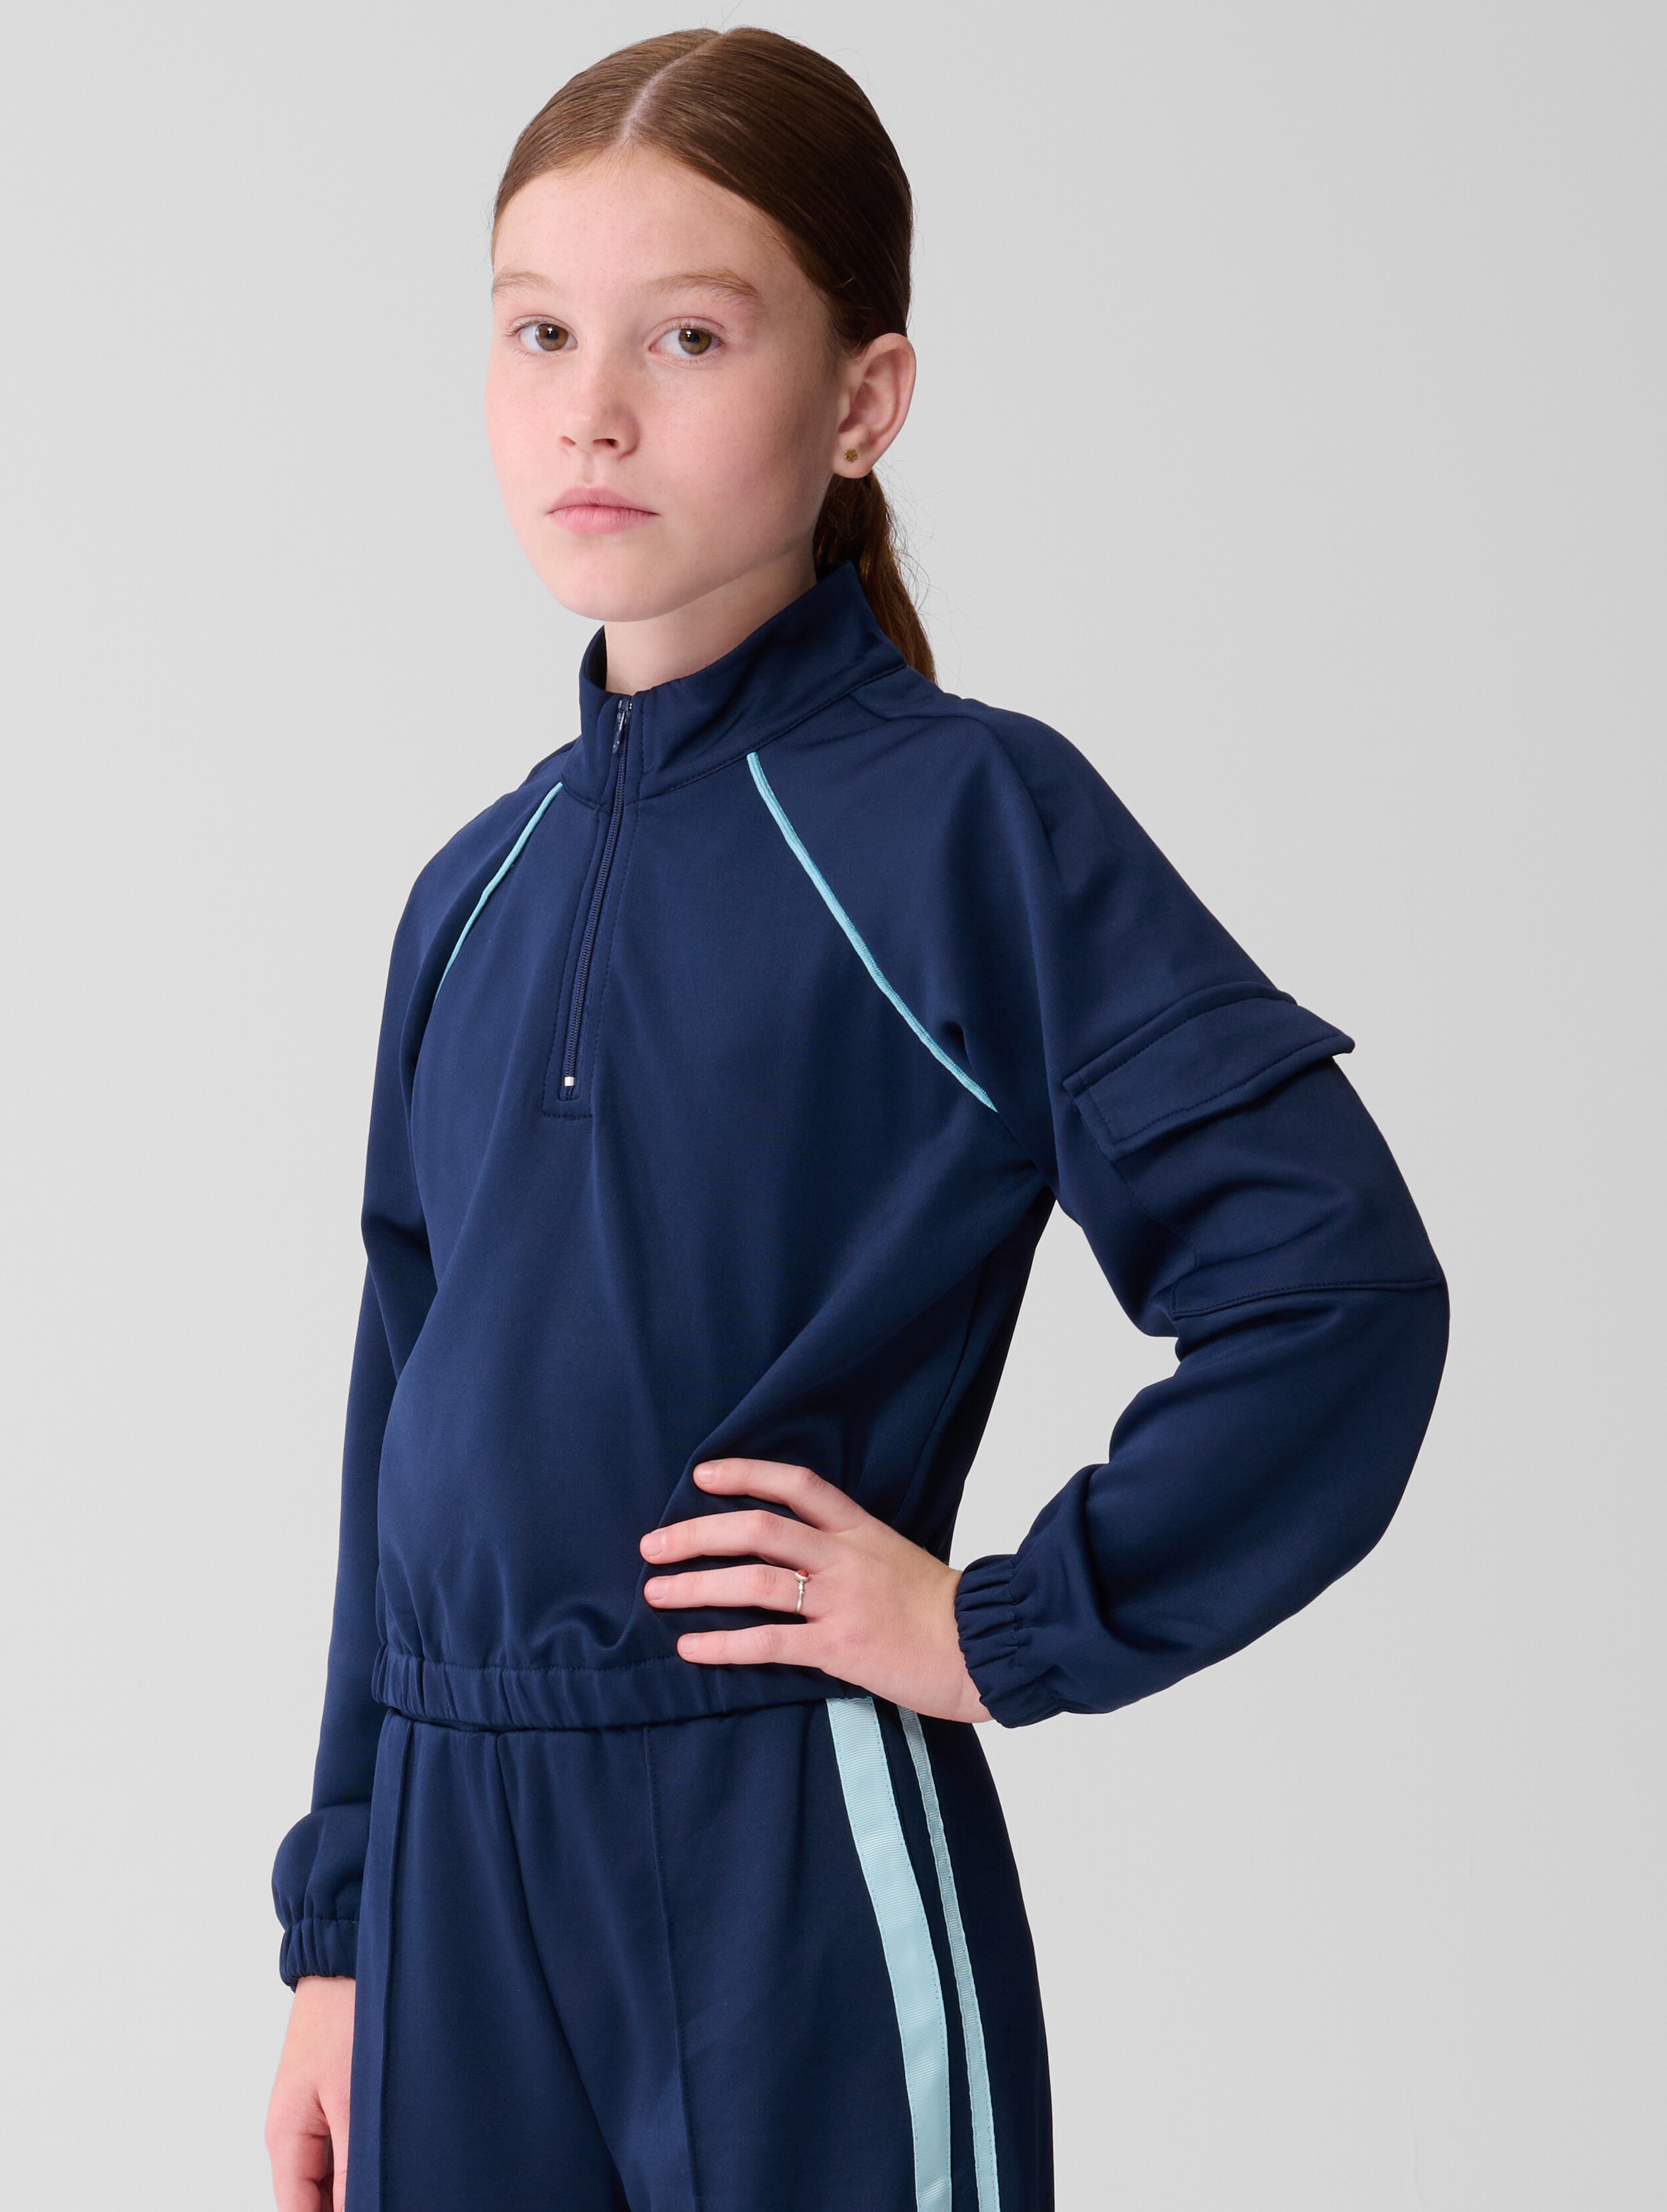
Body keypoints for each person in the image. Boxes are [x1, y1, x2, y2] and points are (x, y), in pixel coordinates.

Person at [264, 26, 1448, 2212]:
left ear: (863, 397)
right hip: (449, 1867)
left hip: (778, 1850)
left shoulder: (968, 826)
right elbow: (398, 1426)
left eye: (689, 337)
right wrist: (342, 1927)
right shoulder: (470, 893)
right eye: (539, 333)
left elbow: (1336, 1292)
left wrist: (999, 1624)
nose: (592, 410)